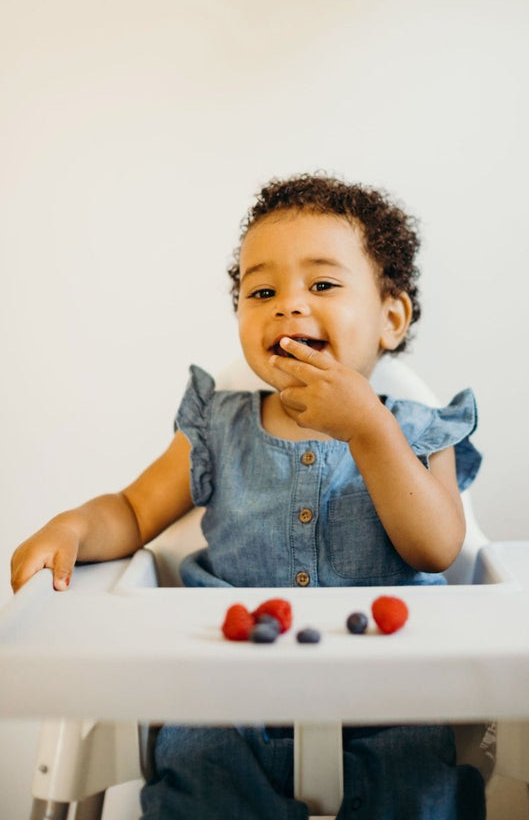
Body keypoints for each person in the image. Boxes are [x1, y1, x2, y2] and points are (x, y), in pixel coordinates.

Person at [11, 173, 485, 819]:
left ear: (391, 319)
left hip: (392, 694)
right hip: (224, 696)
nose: (288, 306)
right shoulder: (217, 425)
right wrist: (72, 527)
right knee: (201, 786)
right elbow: (132, 510)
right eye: (263, 292)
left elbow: (437, 548)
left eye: (322, 284)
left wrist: (371, 429)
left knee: (420, 797)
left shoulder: (421, 431)